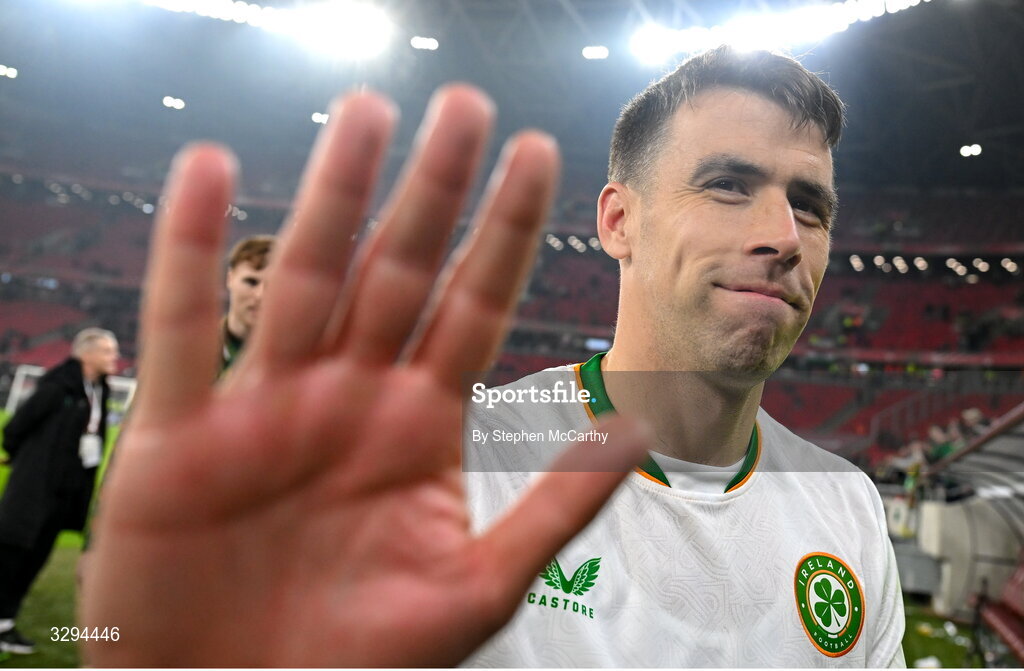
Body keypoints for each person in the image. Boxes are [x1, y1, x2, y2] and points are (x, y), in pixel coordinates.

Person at [80, 47, 903, 667]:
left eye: (810, 204)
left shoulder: (849, 509)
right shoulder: (453, 464)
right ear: (619, 221)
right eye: (728, 185)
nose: (784, 237)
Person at [0, 328, 118, 654]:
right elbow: (17, 426)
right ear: (86, 353)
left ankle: (5, 623)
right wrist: (23, 458)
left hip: (64, 493)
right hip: (35, 487)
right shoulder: (57, 386)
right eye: (107, 351)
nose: (114, 358)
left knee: (36, 556)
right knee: (11, 553)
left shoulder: (98, 389)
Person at [220, 235, 274, 374]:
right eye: (251, 282)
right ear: (230, 278)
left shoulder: (302, 363)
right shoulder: (192, 353)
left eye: (274, 285)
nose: (260, 295)